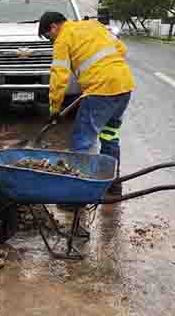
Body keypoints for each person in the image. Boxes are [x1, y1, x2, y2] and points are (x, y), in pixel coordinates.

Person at [38, 11, 135, 195]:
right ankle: (113, 183)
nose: (49, 40)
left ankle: (77, 194)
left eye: (47, 36)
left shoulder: (62, 39)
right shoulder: (93, 25)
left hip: (100, 91)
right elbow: (121, 49)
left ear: (53, 27)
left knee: (82, 141)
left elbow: (59, 77)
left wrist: (54, 108)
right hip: (124, 85)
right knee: (110, 135)